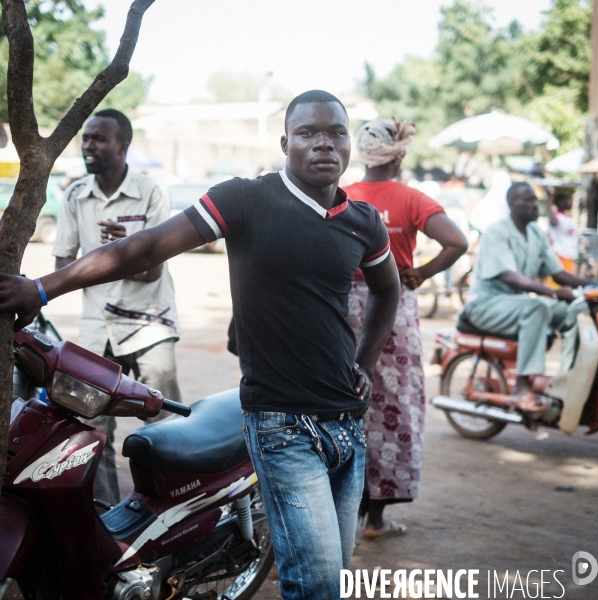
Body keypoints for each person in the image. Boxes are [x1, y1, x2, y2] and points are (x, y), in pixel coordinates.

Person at [0, 91, 400, 600]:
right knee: (317, 586)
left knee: (335, 578)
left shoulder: (361, 220)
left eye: (336, 132)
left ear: (349, 143)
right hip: (282, 427)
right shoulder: (246, 200)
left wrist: (364, 362)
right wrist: (42, 288)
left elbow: (389, 289)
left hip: (346, 425)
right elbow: (142, 247)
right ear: (285, 143)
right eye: (307, 133)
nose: (324, 143)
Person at [343, 118, 467, 539]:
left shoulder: (341, 197)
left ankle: (339, 509)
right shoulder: (411, 199)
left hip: (342, 310)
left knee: (341, 401)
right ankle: (376, 519)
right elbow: (457, 242)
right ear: (398, 154)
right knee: (392, 408)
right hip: (392, 306)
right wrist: (422, 273)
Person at [52, 108, 182, 507]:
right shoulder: (75, 196)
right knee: (94, 427)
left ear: (123, 146)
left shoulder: (151, 192)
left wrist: (129, 246)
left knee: (164, 423)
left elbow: (152, 272)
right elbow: (63, 267)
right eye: (86, 138)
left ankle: (173, 510)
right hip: (97, 328)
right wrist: (106, 259)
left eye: (99, 138)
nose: (89, 145)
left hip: (149, 325)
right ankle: (106, 515)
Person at [460, 182, 593, 405]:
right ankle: (522, 387)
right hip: (486, 304)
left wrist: (594, 284)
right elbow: (510, 277)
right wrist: (551, 292)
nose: (534, 205)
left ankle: (570, 376)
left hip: (516, 303)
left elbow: (560, 274)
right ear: (512, 204)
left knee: (577, 310)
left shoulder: (536, 234)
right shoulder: (497, 232)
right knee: (537, 307)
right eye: (528, 200)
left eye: (535, 200)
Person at [547, 190, 578, 274]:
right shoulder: (556, 217)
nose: (571, 202)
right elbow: (553, 221)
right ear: (561, 202)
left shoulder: (567, 217)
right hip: (561, 256)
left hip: (569, 256)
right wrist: (549, 200)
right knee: (560, 284)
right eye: (569, 200)